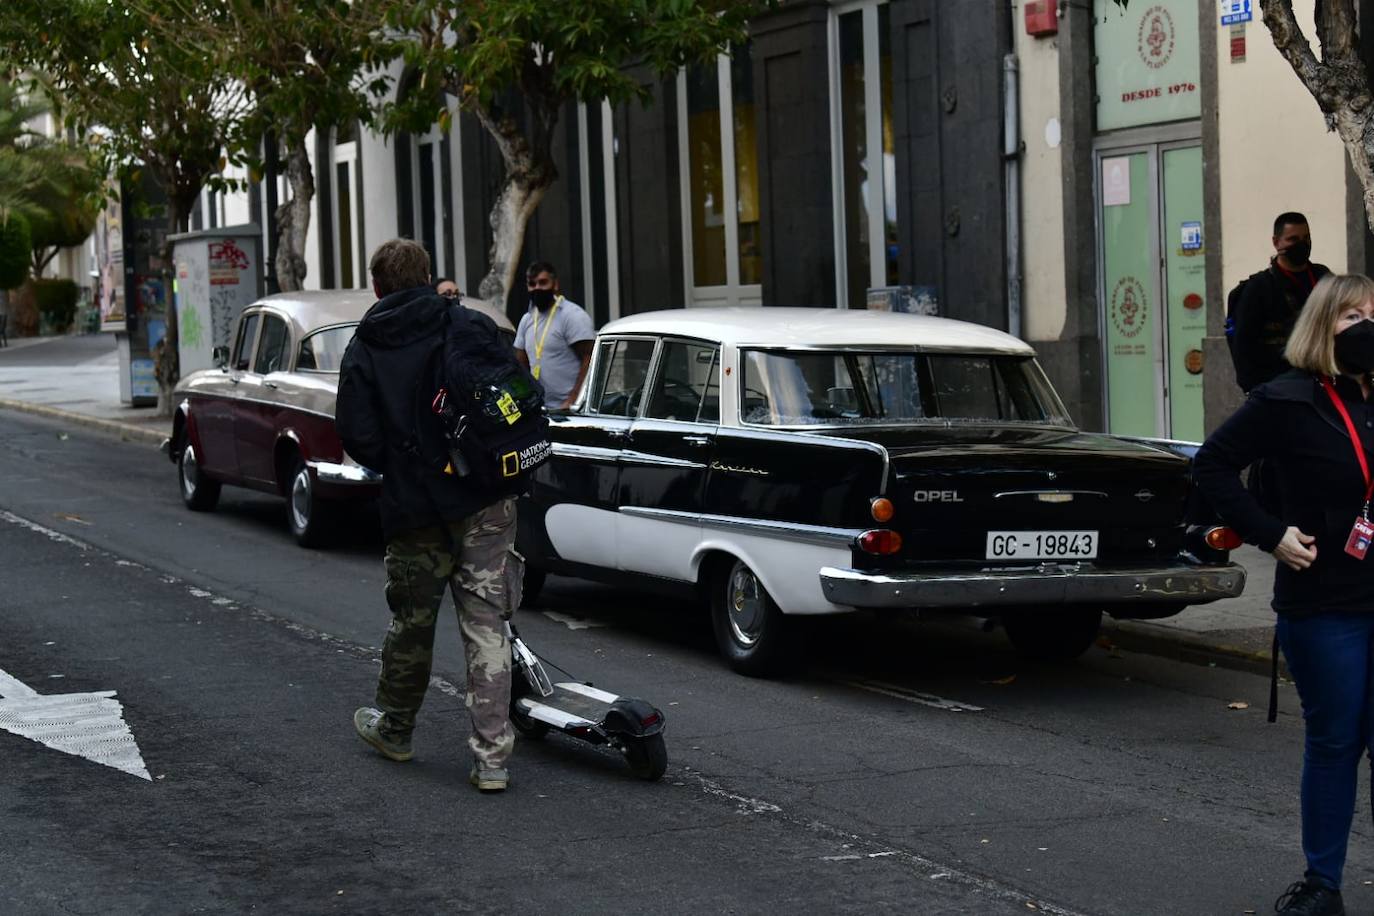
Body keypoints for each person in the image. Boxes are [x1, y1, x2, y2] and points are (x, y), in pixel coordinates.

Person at [1195, 273, 1374, 916]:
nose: (1367, 328)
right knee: (1335, 741)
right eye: (1353, 316)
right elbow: (1210, 464)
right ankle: (1322, 884)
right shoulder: (1288, 399)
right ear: (1322, 326)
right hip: (1326, 604)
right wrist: (1269, 535)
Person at [336, 239, 518, 793]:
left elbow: (357, 436)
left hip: (414, 506)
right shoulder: (468, 324)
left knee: (413, 622)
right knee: (487, 623)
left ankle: (396, 728)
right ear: (429, 275)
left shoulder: (367, 344)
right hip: (485, 496)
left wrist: (404, 459)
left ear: (377, 287)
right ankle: (491, 759)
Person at [1231, 212, 1332, 392]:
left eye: (1306, 238)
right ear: (1276, 242)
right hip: (1278, 385)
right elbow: (1244, 349)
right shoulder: (1258, 288)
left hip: (1323, 383)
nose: (1302, 244)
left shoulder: (1323, 277)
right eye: (1293, 239)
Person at [513, 260, 595, 409]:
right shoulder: (527, 319)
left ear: (555, 284)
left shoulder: (572, 316)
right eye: (532, 284)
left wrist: (573, 400)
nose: (537, 288)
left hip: (569, 411)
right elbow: (520, 364)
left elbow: (590, 359)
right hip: (539, 410)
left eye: (543, 283)